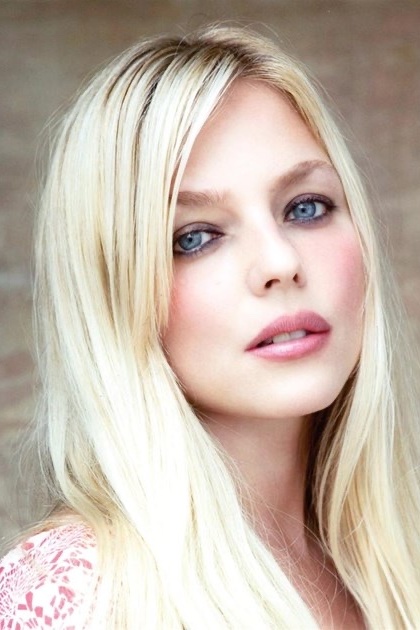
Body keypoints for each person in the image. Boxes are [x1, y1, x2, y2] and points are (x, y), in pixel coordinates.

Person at [0, 24, 419, 629]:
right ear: (114, 291)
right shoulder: (73, 595)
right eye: (196, 237)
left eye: (305, 207)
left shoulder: (389, 561)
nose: (279, 262)